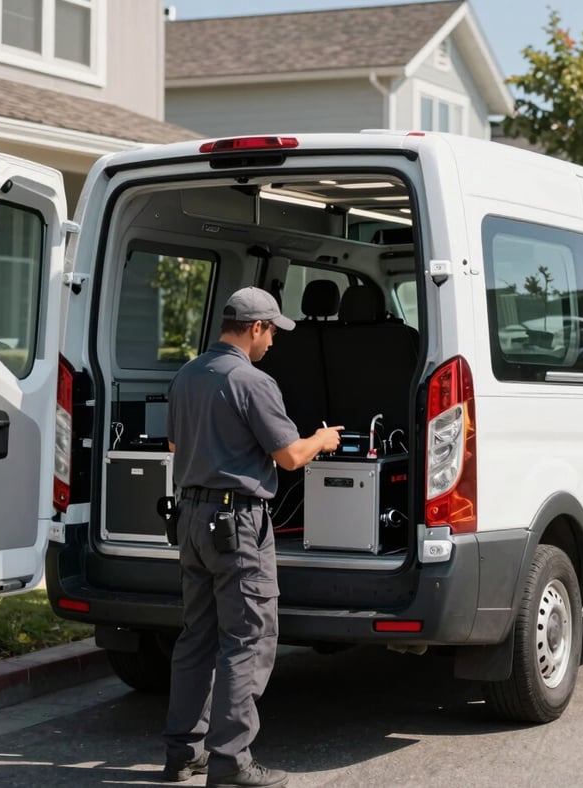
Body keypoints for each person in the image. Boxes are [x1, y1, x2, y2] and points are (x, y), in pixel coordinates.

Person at [162, 286, 342, 788]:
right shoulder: (253, 381)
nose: (273, 343)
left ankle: (183, 753)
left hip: (192, 519)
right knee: (248, 640)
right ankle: (231, 762)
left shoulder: (187, 374)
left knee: (196, 636)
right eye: (271, 333)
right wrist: (322, 440)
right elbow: (288, 457)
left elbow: (176, 443)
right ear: (255, 327)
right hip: (237, 524)